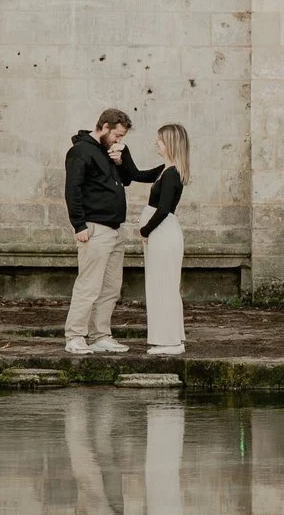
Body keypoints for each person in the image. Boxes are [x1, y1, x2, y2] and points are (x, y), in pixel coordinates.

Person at [64, 108, 157, 355]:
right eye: (117, 135)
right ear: (104, 127)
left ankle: (100, 335)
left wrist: (119, 161)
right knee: (89, 286)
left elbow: (128, 179)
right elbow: (72, 189)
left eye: (122, 136)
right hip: (94, 229)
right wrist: (79, 225)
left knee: (111, 288)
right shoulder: (80, 151)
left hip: (114, 230)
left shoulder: (109, 152)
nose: (119, 141)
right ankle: (75, 336)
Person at [136, 124, 190, 357]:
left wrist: (145, 230)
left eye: (159, 140)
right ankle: (172, 338)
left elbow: (164, 209)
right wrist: (122, 151)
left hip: (163, 233)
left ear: (170, 143)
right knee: (162, 286)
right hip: (161, 233)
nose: (155, 143)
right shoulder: (164, 169)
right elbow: (136, 174)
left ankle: (170, 342)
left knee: (164, 286)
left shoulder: (172, 174)